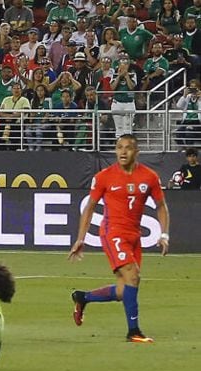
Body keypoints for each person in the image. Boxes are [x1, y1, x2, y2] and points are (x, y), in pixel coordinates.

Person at [68, 134, 170, 344]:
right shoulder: (104, 176)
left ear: (136, 152)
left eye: (128, 148)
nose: (123, 152)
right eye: (119, 147)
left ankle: (83, 297)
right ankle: (133, 331)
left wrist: (164, 234)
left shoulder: (149, 177)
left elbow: (161, 206)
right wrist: (81, 238)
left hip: (134, 236)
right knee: (133, 275)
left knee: (125, 290)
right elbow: (89, 208)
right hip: (112, 233)